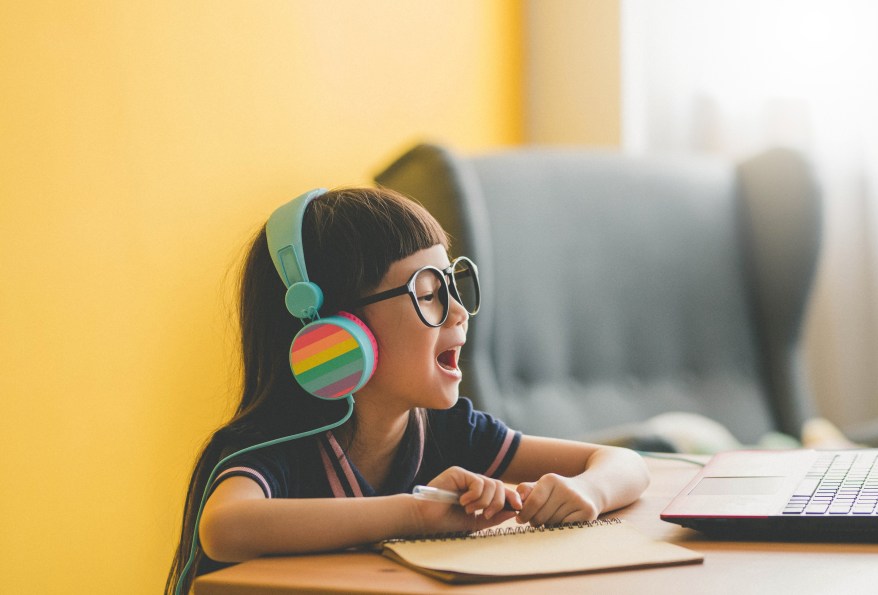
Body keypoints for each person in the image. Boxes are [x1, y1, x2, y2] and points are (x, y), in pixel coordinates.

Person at [166, 187, 650, 594]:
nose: (458, 311)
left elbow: (625, 464)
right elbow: (225, 527)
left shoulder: (449, 429)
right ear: (333, 335)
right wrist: (417, 515)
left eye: (453, 285)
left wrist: (587, 491)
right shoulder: (273, 444)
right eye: (427, 293)